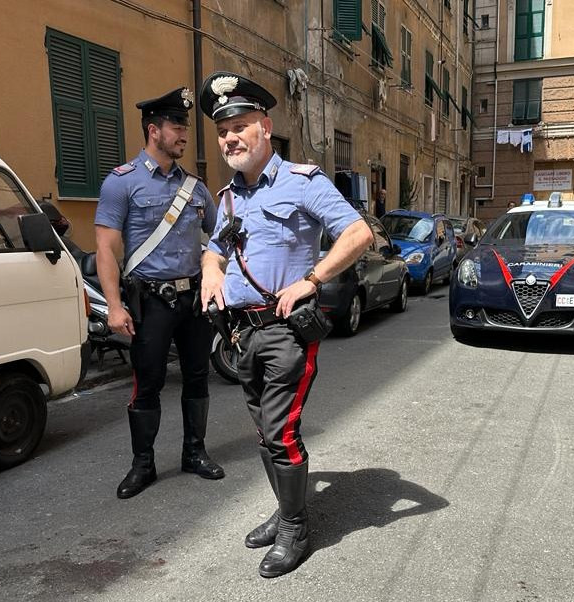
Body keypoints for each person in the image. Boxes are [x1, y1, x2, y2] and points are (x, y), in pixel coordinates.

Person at [198, 71, 373, 578]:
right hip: (241, 333)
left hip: (285, 332)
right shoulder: (227, 197)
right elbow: (215, 251)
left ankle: (296, 528)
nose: (230, 138)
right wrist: (212, 273)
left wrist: (312, 279)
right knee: (263, 432)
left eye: (240, 125)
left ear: (265, 127)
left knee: (282, 432)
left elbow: (358, 234)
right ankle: (284, 511)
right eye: (222, 131)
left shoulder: (302, 182)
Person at [95, 86, 225, 500]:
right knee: (148, 382)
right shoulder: (122, 184)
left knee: (198, 377)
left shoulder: (195, 186)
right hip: (150, 301)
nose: (184, 133)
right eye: (176, 125)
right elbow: (105, 249)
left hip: (194, 301)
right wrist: (114, 306)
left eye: (186, 125)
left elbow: (220, 238)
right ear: (153, 130)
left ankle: (194, 453)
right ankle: (143, 464)